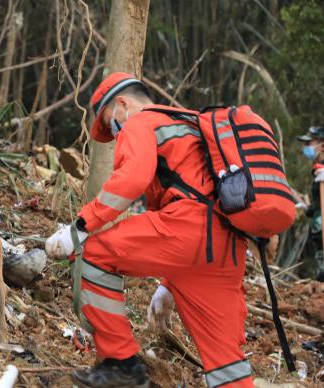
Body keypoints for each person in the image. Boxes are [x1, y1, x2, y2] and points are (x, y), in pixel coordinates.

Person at [46, 73, 254, 387]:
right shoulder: (193, 124)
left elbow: (131, 179)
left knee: (93, 253)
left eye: (110, 123)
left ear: (121, 104)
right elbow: (199, 191)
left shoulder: (142, 123)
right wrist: (170, 283)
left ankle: (121, 364)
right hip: (227, 246)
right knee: (227, 359)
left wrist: (79, 227)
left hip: (187, 229)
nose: (116, 133)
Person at [296, 126, 324, 280]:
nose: (306, 148)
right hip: (318, 230)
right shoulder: (317, 170)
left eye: (309, 143)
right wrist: (308, 209)